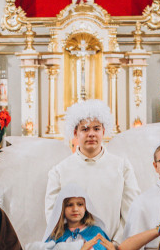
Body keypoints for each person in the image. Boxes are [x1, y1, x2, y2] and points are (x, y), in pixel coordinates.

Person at [45, 100, 140, 240]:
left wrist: (116, 244)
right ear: (75, 133)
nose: (91, 134)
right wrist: (72, 244)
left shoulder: (122, 167)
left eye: (96, 129)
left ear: (104, 131)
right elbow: (53, 215)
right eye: (85, 129)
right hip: (72, 248)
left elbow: (131, 210)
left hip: (113, 248)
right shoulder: (59, 171)